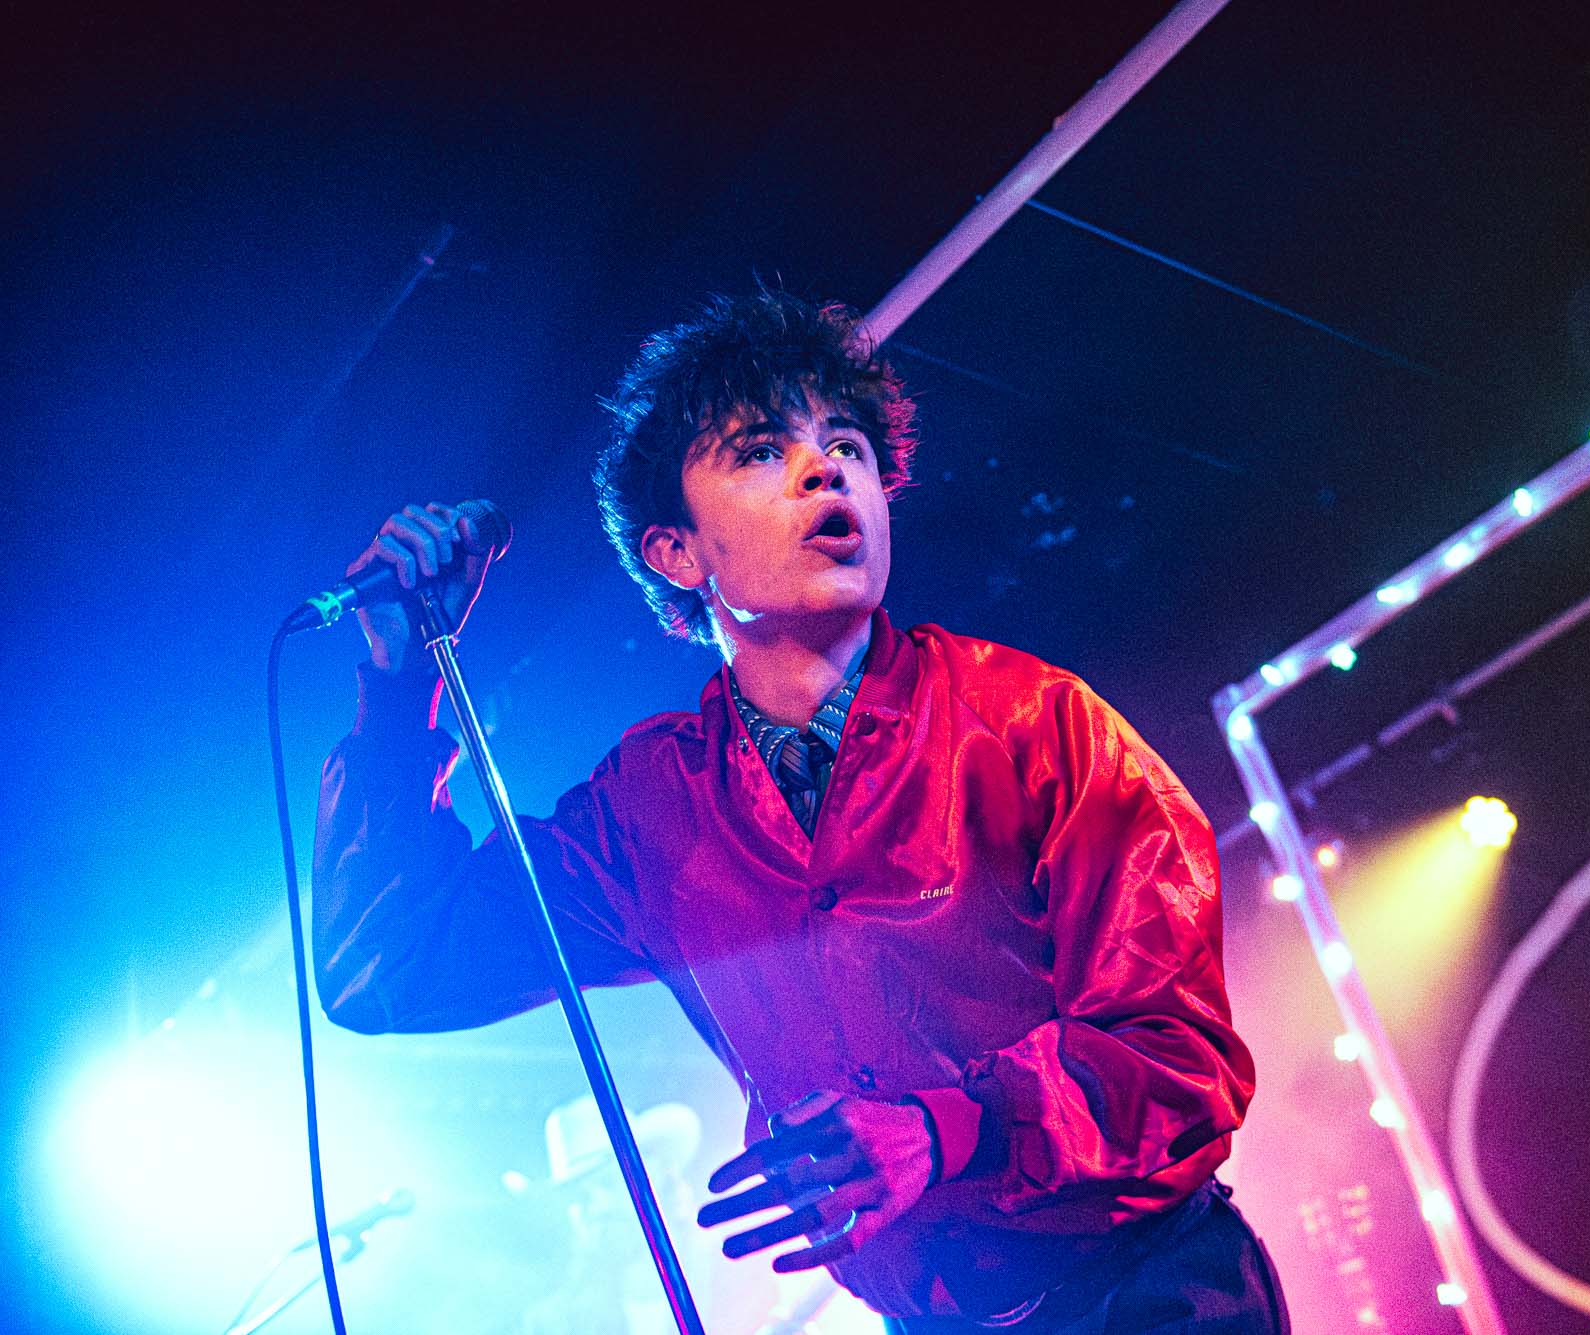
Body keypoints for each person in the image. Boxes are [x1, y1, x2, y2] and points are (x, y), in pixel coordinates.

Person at [313, 287, 1288, 1332]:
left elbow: (1178, 1055)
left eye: (847, 447)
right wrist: (399, 689)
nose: (825, 469)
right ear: (677, 553)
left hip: (1156, 1298)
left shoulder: (1035, 721)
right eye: (759, 451)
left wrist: (944, 1128)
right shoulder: (650, 810)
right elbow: (388, 965)